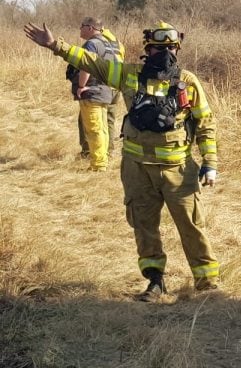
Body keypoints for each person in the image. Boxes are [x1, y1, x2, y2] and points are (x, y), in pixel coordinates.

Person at [25, 20, 221, 301]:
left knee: (191, 225)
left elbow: (205, 122)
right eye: (157, 49)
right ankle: (155, 280)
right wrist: (55, 45)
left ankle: (206, 282)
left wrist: (210, 163)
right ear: (147, 50)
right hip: (137, 169)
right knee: (143, 225)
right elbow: (93, 63)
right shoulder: (130, 75)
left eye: (169, 49)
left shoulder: (187, 82)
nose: (163, 55)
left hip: (179, 170)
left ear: (177, 50)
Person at [65, 17, 125, 171]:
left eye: (82, 26)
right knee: (103, 127)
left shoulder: (92, 44)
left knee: (94, 129)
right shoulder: (110, 44)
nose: (80, 29)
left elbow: (86, 65)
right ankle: (103, 158)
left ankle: (98, 165)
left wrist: (81, 85)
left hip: (92, 91)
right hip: (107, 90)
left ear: (90, 28)